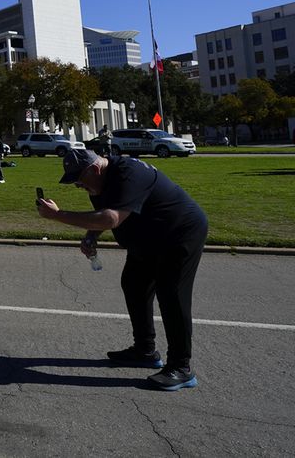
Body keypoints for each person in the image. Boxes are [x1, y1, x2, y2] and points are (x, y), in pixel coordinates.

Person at [36, 149, 208, 391]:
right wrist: (91, 236)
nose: (78, 186)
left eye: (79, 180)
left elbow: (110, 218)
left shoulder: (129, 172)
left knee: (171, 294)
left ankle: (181, 367)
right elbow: (101, 216)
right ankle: (145, 350)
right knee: (134, 284)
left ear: (95, 169)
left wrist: (57, 215)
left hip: (179, 233)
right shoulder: (98, 183)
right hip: (148, 239)